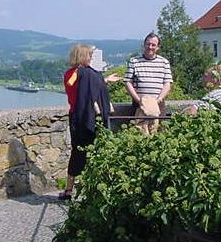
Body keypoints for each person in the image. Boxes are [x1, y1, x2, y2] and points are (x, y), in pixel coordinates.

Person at [61, 44, 117, 200]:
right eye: (89, 56)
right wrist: (102, 80)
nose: (91, 59)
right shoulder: (81, 74)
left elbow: (82, 87)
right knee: (89, 152)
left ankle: (69, 190)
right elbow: (85, 88)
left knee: (77, 152)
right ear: (82, 56)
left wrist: (105, 79)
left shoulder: (71, 74)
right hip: (86, 117)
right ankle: (93, 189)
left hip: (76, 116)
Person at [124, 32, 173, 133]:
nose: (150, 47)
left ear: (158, 47)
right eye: (148, 44)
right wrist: (138, 100)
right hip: (139, 104)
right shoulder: (134, 61)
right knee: (139, 133)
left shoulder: (164, 62)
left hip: (159, 104)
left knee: (159, 133)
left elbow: (167, 83)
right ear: (144, 45)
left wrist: (158, 100)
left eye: (153, 45)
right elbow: (128, 82)